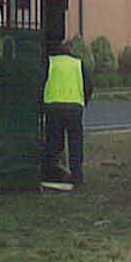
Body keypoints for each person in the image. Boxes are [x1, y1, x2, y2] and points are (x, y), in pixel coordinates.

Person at [41, 38, 93, 189]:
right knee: (75, 143)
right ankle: (77, 175)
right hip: (74, 108)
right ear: (71, 49)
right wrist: (83, 101)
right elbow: (89, 85)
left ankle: (50, 172)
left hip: (53, 106)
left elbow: (41, 82)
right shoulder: (78, 63)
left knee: (53, 142)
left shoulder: (50, 62)